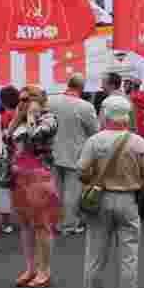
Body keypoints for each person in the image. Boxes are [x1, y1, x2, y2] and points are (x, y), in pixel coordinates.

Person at [77, 96, 144, 288]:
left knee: (95, 256)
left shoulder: (94, 141)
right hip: (128, 201)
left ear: (105, 114)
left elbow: (81, 171)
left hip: (100, 200)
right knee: (129, 256)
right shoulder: (139, 142)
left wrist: (94, 179)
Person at [7, 86, 60, 288]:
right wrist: (16, 119)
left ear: (39, 100)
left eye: (27, 99)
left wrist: (31, 115)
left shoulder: (49, 119)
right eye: (20, 99)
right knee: (25, 225)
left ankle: (44, 270)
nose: (22, 102)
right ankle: (30, 267)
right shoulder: (18, 118)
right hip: (19, 176)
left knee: (42, 225)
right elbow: (6, 139)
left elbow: (36, 136)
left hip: (40, 177)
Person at [49, 74, 99, 237]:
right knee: (72, 191)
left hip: (52, 151)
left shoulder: (51, 101)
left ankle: (54, 222)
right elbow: (94, 131)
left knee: (55, 190)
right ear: (81, 89)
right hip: (76, 153)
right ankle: (69, 224)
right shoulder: (85, 106)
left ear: (68, 84)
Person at [0, 86, 21, 234]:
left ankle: (6, 223)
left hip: (3, 156)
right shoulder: (21, 115)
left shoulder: (1, 117)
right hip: (20, 156)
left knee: (3, 189)